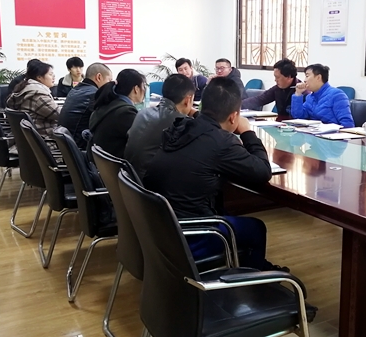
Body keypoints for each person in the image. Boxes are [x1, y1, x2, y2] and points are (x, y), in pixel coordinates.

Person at [143, 77, 284, 271]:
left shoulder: (180, 126)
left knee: (226, 212)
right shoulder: (221, 141)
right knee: (255, 227)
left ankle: (247, 266)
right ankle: (256, 276)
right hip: (191, 235)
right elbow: (262, 171)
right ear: (233, 117)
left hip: (162, 227)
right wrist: (247, 132)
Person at [125, 74, 197, 178]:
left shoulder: (143, 112)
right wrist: (197, 114)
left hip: (129, 179)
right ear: (188, 100)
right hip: (149, 183)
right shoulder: (181, 123)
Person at [88, 69, 145, 158]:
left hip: (99, 162)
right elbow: (142, 140)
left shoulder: (107, 104)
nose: (144, 90)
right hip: (115, 163)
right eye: (143, 86)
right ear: (136, 89)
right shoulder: (126, 113)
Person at [58, 63, 113, 149]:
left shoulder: (75, 90)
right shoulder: (94, 94)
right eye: (109, 80)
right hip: (80, 148)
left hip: (68, 148)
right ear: (99, 77)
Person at [241, 58, 307, 121]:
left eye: (277, 77)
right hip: (280, 124)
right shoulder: (277, 88)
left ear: (289, 77)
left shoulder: (302, 91)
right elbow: (260, 99)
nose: (275, 80)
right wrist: (237, 105)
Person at [6, 60, 60, 137]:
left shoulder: (26, 87)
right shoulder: (38, 95)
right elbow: (60, 115)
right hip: (45, 138)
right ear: (39, 77)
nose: (54, 76)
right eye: (50, 74)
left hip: (31, 138)